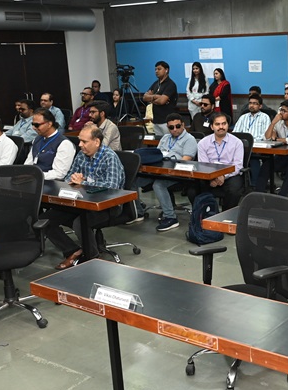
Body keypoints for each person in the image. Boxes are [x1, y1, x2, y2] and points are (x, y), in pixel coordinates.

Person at [42, 125, 125, 270]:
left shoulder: (110, 157)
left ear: (97, 142)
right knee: (45, 221)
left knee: (80, 223)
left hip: (107, 206)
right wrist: (73, 179)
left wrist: (84, 182)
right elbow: (68, 177)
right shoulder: (81, 155)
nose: (80, 145)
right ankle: (72, 251)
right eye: (80, 141)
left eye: (84, 141)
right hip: (81, 202)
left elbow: (112, 187)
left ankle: (93, 259)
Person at [141, 113, 198, 232]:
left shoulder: (189, 139)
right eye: (171, 127)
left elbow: (186, 160)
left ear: (183, 125)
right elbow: (156, 155)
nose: (175, 129)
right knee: (134, 180)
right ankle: (137, 212)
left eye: (178, 126)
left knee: (158, 185)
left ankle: (170, 218)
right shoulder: (165, 138)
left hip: (179, 175)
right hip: (160, 171)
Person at [191, 112, 244, 210]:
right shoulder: (203, 143)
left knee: (234, 190)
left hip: (229, 175)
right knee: (192, 189)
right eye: (217, 124)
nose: (221, 127)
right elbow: (203, 165)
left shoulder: (237, 142)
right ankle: (206, 213)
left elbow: (238, 165)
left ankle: (226, 215)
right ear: (212, 127)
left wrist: (223, 176)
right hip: (209, 175)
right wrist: (213, 177)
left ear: (228, 125)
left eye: (224, 124)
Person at [24, 108, 76, 180]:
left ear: (49, 124)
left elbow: (59, 174)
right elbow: (28, 164)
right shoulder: (37, 139)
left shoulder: (64, 144)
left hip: (49, 182)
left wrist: (35, 176)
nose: (33, 128)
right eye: (32, 124)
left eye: (37, 125)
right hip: (33, 179)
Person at [143, 61, 179, 137]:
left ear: (166, 70)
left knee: (169, 141)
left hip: (167, 121)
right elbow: (145, 97)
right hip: (156, 120)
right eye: (155, 69)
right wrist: (156, 97)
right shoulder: (155, 83)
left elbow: (162, 101)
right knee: (159, 142)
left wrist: (152, 98)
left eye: (159, 69)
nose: (156, 71)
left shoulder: (170, 84)